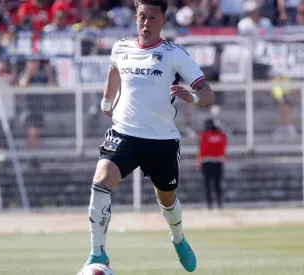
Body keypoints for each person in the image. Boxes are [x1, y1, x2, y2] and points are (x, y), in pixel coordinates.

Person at [79, 0, 215, 273]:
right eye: (142, 16)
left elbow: (209, 94)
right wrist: (107, 104)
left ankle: (177, 238)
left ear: (163, 21)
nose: (146, 23)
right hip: (124, 134)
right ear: (136, 18)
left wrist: (193, 96)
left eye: (153, 17)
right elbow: (113, 72)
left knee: (167, 201)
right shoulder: (121, 48)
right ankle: (97, 255)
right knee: (100, 181)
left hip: (162, 141)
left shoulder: (174, 54)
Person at [196, 118, 227, 210]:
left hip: (206, 162)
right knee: (218, 184)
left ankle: (209, 204)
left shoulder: (204, 135)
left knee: (207, 185)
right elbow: (223, 148)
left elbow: (201, 149)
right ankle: (219, 203)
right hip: (218, 161)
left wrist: (198, 161)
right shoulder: (221, 135)